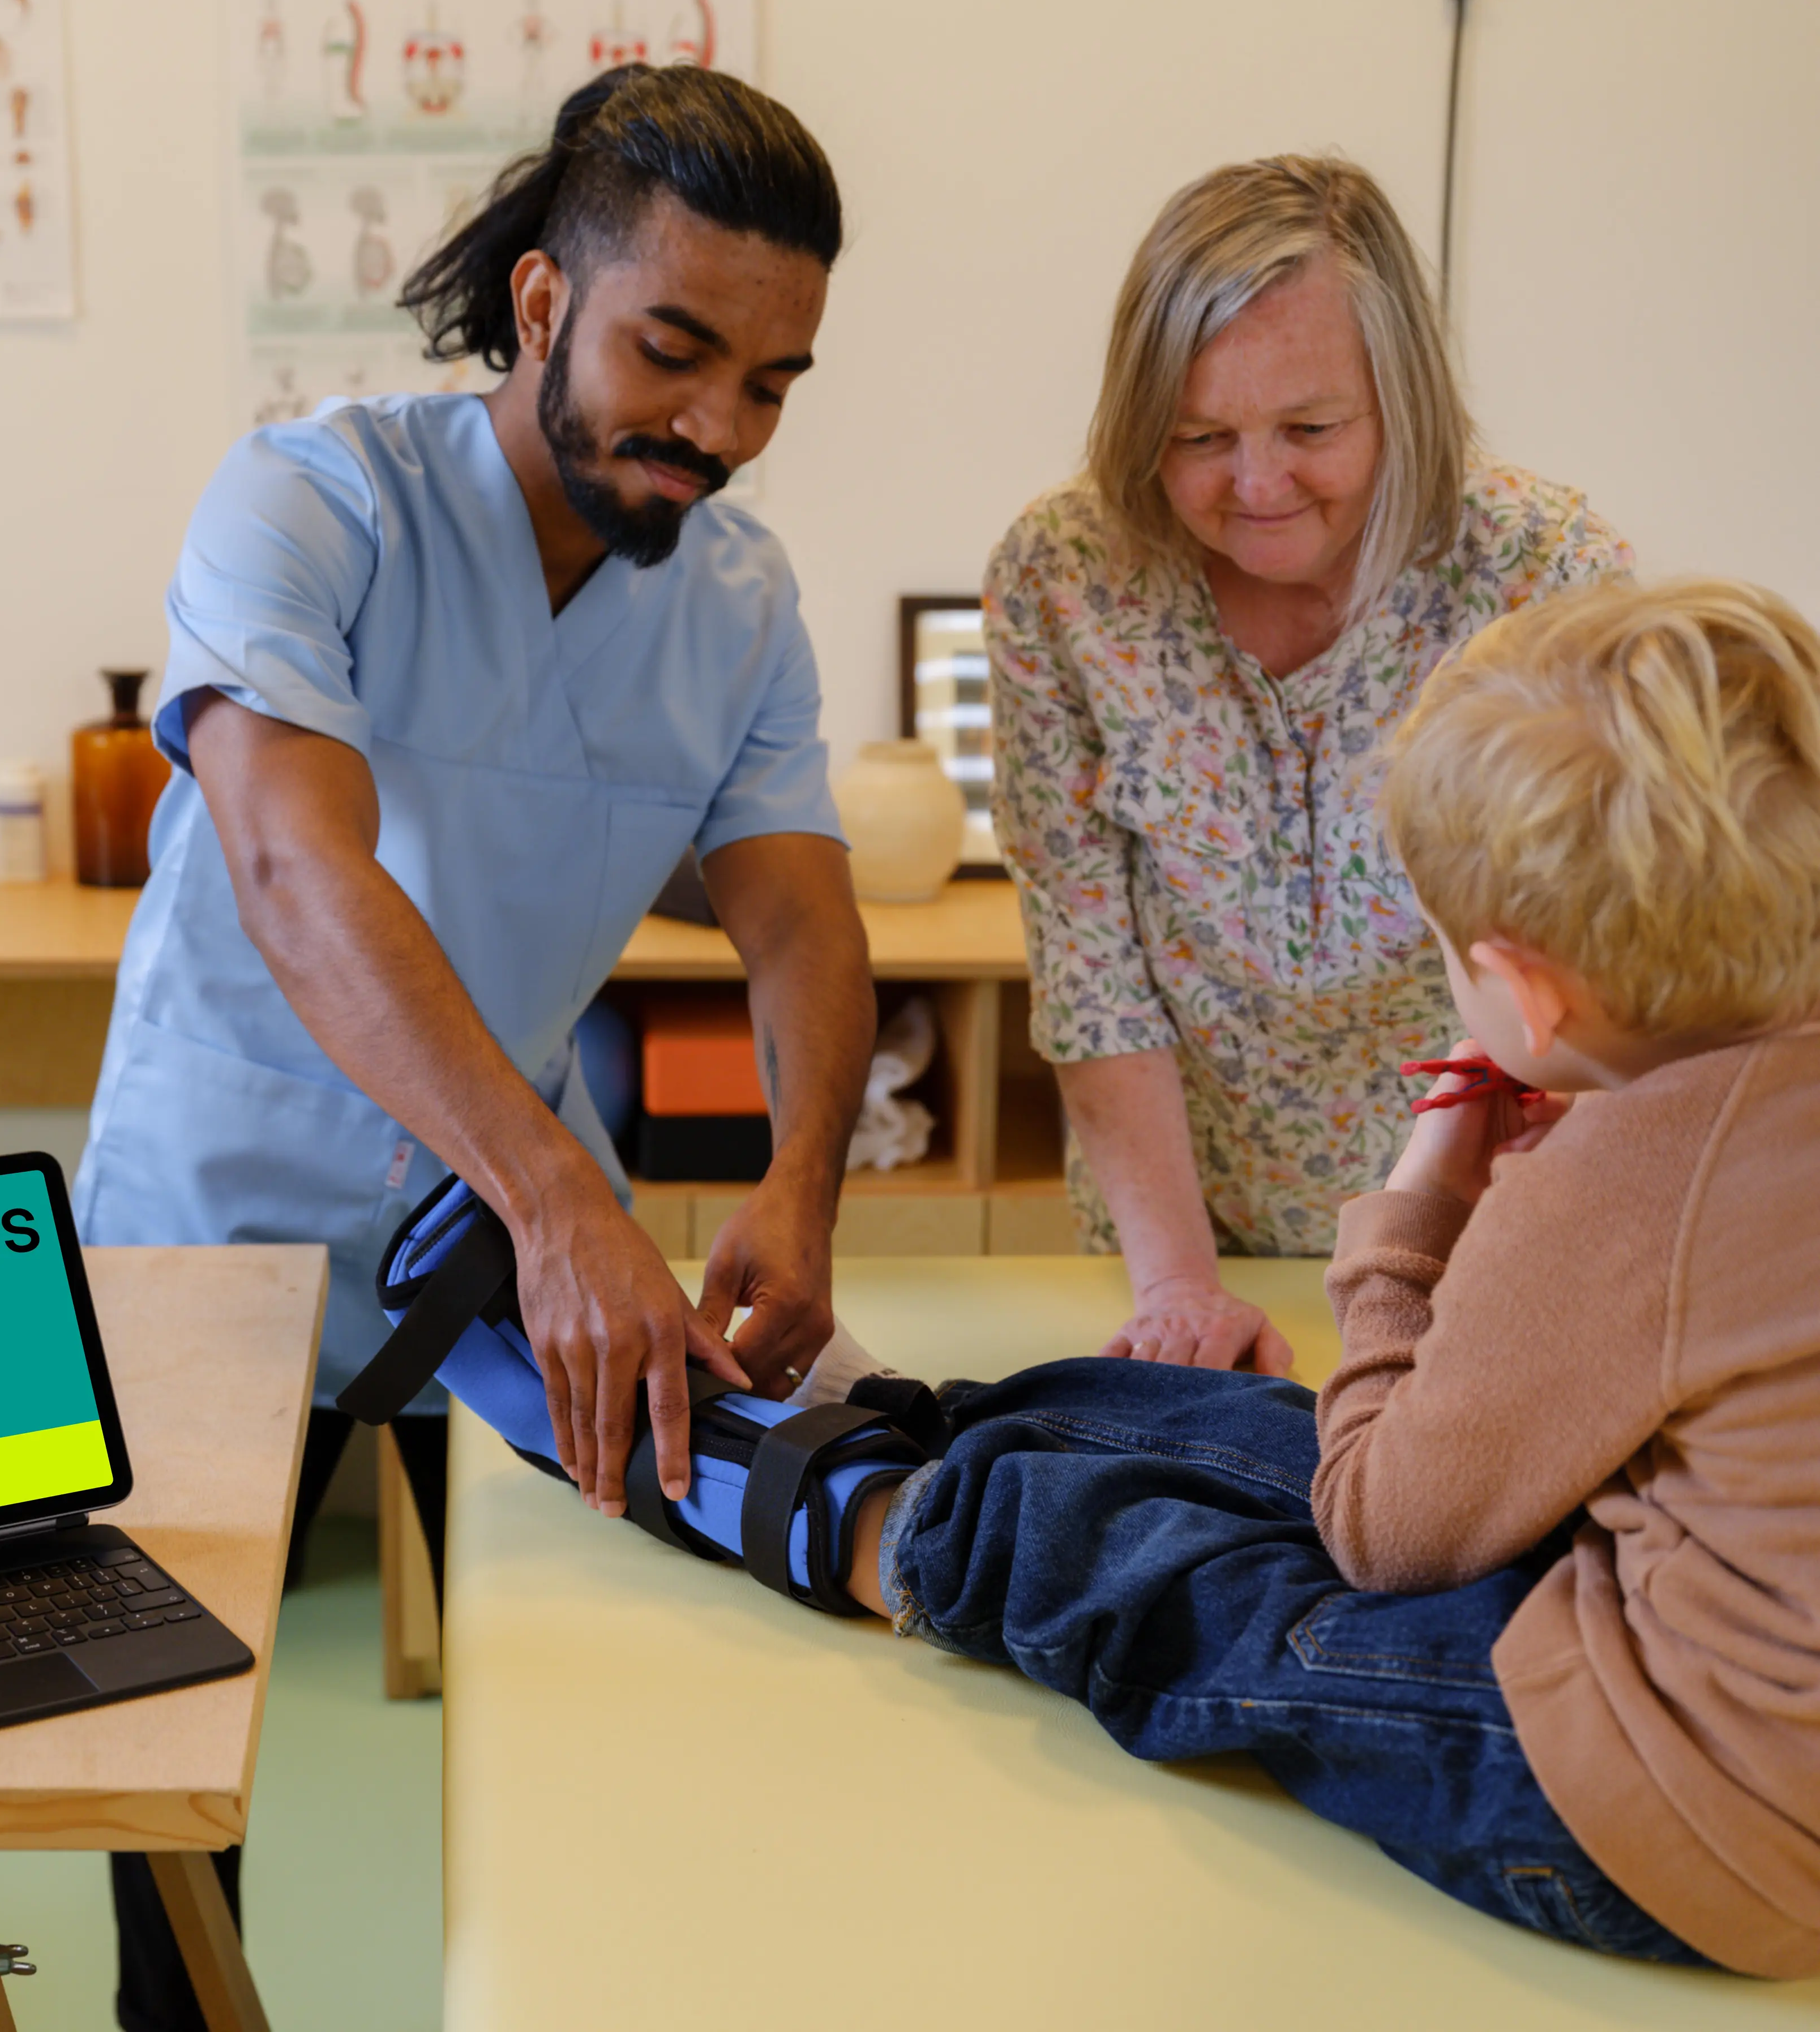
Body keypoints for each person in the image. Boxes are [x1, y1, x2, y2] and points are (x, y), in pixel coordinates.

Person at [383, 575, 1820, 1971]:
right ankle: (907, 1415)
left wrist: (1417, 1209)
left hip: (1687, 1816)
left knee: (1172, 1579)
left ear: (1529, 995)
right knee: (1253, 1431)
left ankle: (844, 1505)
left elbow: (1386, 1539)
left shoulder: (1625, 1188)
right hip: (1717, 1666)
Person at [74, 64, 875, 2031]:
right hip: (227, 1217)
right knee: (166, 1756)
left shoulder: (740, 603)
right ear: (541, 301)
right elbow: (294, 867)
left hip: (484, 1246)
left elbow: (796, 914)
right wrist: (559, 1195)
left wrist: (801, 1183)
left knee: (577, 1674)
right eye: (674, 354)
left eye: (770, 385)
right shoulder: (313, 502)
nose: (719, 428)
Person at [983, 155, 1633, 1375]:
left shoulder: (1541, 574)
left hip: (1486, 1215)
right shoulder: (1063, 576)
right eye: (1198, 436)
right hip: (1177, 1226)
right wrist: (1179, 1287)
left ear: (1401, 397)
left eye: (1311, 429)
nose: (1258, 484)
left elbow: (1590, 963)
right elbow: (1089, 966)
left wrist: (1443, 1246)